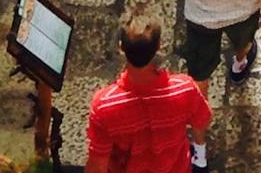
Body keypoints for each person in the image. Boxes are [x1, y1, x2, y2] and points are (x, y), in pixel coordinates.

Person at [85, 15, 211, 173]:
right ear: (158, 46)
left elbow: (97, 167)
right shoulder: (185, 89)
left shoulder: (103, 106)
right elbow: (201, 121)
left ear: (121, 47)